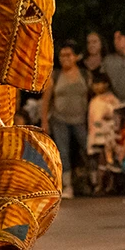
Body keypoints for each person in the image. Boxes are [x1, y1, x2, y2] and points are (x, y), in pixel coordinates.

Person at [41, 42, 88, 199]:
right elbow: (46, 100)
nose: (65, 58)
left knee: (88, 147)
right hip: (59, 119)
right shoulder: (55, 76)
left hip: (81, 119)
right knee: (63, 152)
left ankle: (93, 181)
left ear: (76, 57)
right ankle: (67, 185)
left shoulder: (85, 75)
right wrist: (44, 122)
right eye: (62, 55)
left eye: (68, 55)